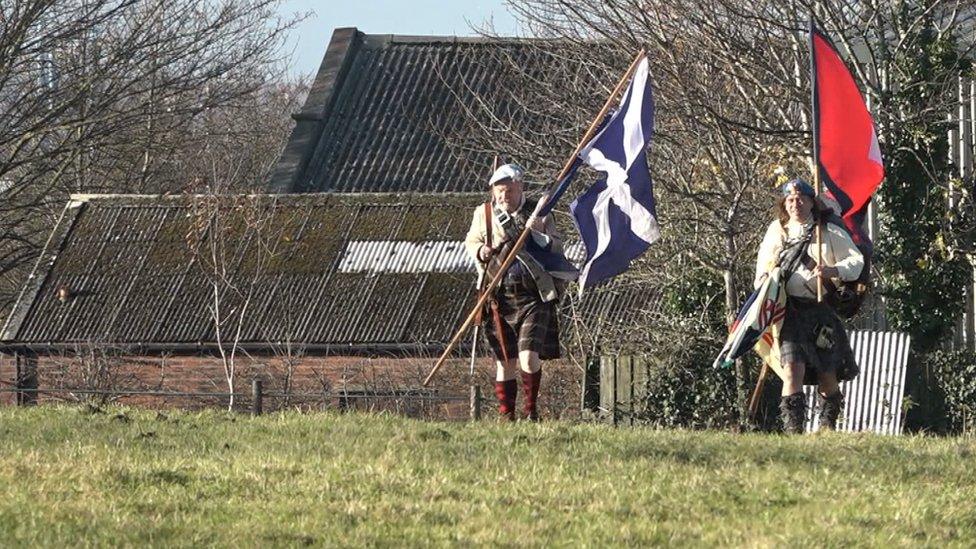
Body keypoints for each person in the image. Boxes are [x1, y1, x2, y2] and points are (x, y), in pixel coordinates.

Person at [755, 179, 864, 433]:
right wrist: (765, 284)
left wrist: (832, 269)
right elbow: (761, 269)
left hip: (820, 310)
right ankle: (794, 432)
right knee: (792, 369)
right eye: (790, 200)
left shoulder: (826, 230)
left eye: (801, 198)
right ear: (784, 203)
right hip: (789, 312)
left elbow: (855, 261)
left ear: (812, 201)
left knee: (827, 374)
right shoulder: (777, 231)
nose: (796, 204)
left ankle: (826, 428)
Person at [464, 163, 565, 421]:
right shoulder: (484, 214)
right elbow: (471, 241)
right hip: (498, 298)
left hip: (534, 296)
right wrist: (481, 251)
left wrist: (539, 234)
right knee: (505, 361)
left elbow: (556, 248)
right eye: (499, 191)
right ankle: (506, 416)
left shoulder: (540, 212)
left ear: (520, 187)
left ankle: (531, 412)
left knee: (528, 357)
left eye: (508, 190)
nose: (503, 196)